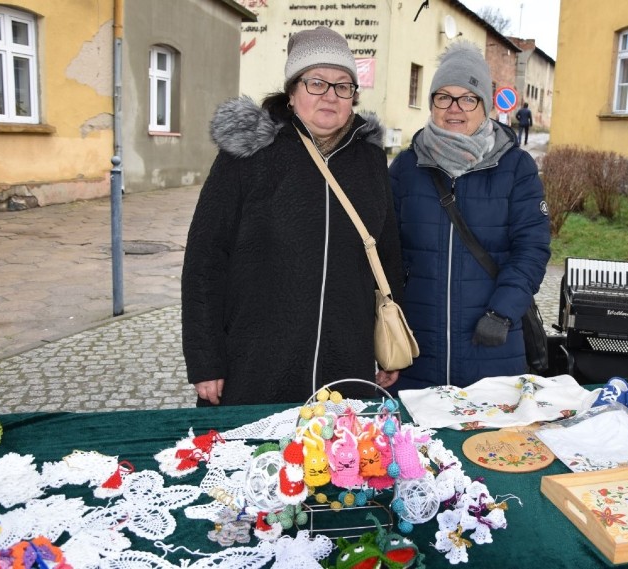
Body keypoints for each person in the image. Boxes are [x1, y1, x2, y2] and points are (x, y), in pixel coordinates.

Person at [181, 27, 403, 405]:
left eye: (343, 85)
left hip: (345, 361)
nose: (330, 96)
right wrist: (205, 360)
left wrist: (389, 343)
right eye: (316, 82)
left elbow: (389, 257)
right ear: (292, 90)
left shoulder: (369, 161)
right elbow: (205, 261)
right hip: (256, 362)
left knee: (340, 459)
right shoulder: (249, 154)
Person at [388, 42, 551, 391]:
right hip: (417, 349)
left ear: (485, 105)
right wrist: (389, 323)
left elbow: (532, 250)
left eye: (468, 98)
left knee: (487, 442)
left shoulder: (515, 168)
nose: (454, 109)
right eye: (443, 97)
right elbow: (385, 251)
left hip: (492, 343)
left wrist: (502, 313)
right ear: (432, 103)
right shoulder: (406, 167)